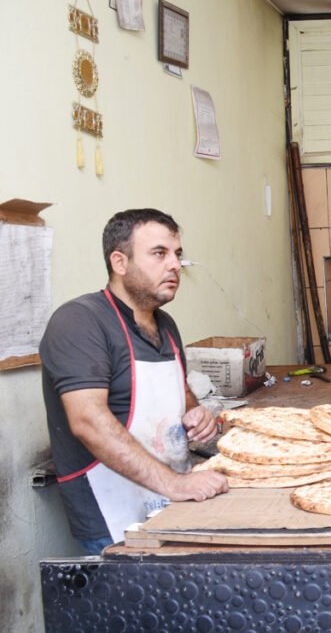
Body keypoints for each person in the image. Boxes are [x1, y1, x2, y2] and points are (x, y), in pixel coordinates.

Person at [40, 209, 228, 554]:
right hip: (112, 512)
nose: (174, 265)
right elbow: (88, 422)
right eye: (159, 253)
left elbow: (178, 392)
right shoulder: (80, 322)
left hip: (173, 496)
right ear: (119, 262)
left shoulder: (166, 324)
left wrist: (195, 413)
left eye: (177, 255)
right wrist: (174, 484)